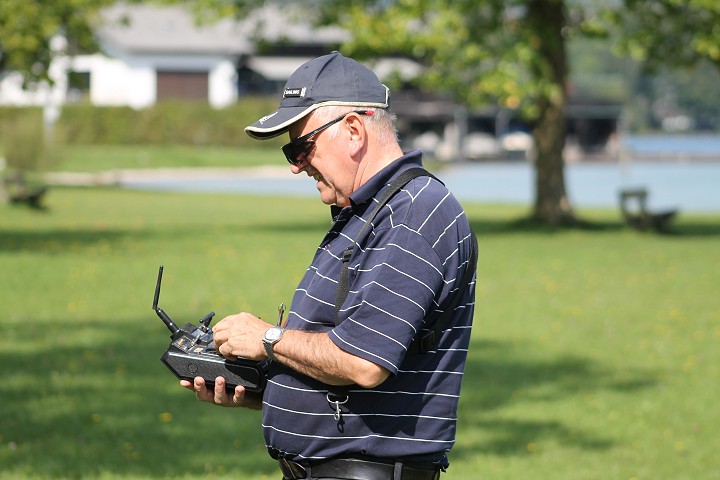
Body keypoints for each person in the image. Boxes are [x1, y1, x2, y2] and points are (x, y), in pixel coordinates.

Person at [181, 51, 477, 480]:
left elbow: (363, 362)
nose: (296, 165)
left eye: (301, 146)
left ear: (354, 130)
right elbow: (341, 355)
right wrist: (263, 386)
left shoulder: (413, 215)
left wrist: (265, 337)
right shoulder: (370, 213)